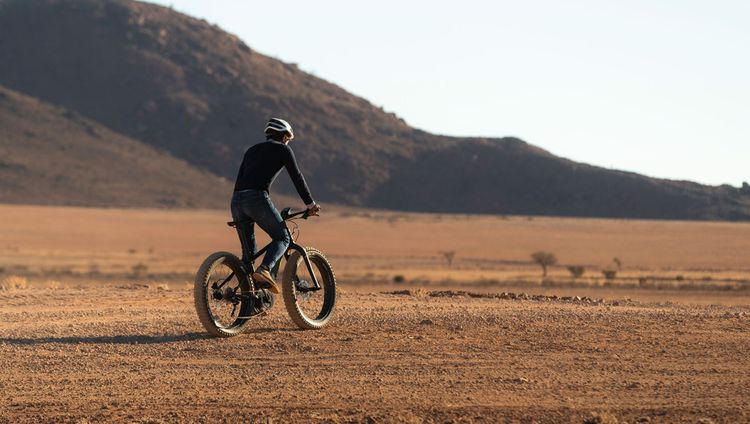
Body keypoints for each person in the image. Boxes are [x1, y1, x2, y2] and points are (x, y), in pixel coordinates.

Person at [231, 118, 320, 294]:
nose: (288, 141)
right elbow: (297, 176)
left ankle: (251, 299)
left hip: (236, 201)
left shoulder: (251, 150)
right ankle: (265, 270)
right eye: (288, 138)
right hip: (256, 198)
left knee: (249, 255)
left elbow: (240, 180)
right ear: (284, 135)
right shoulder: (283, 149)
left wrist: (239, 208)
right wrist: (310, 204)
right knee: (283, 238)